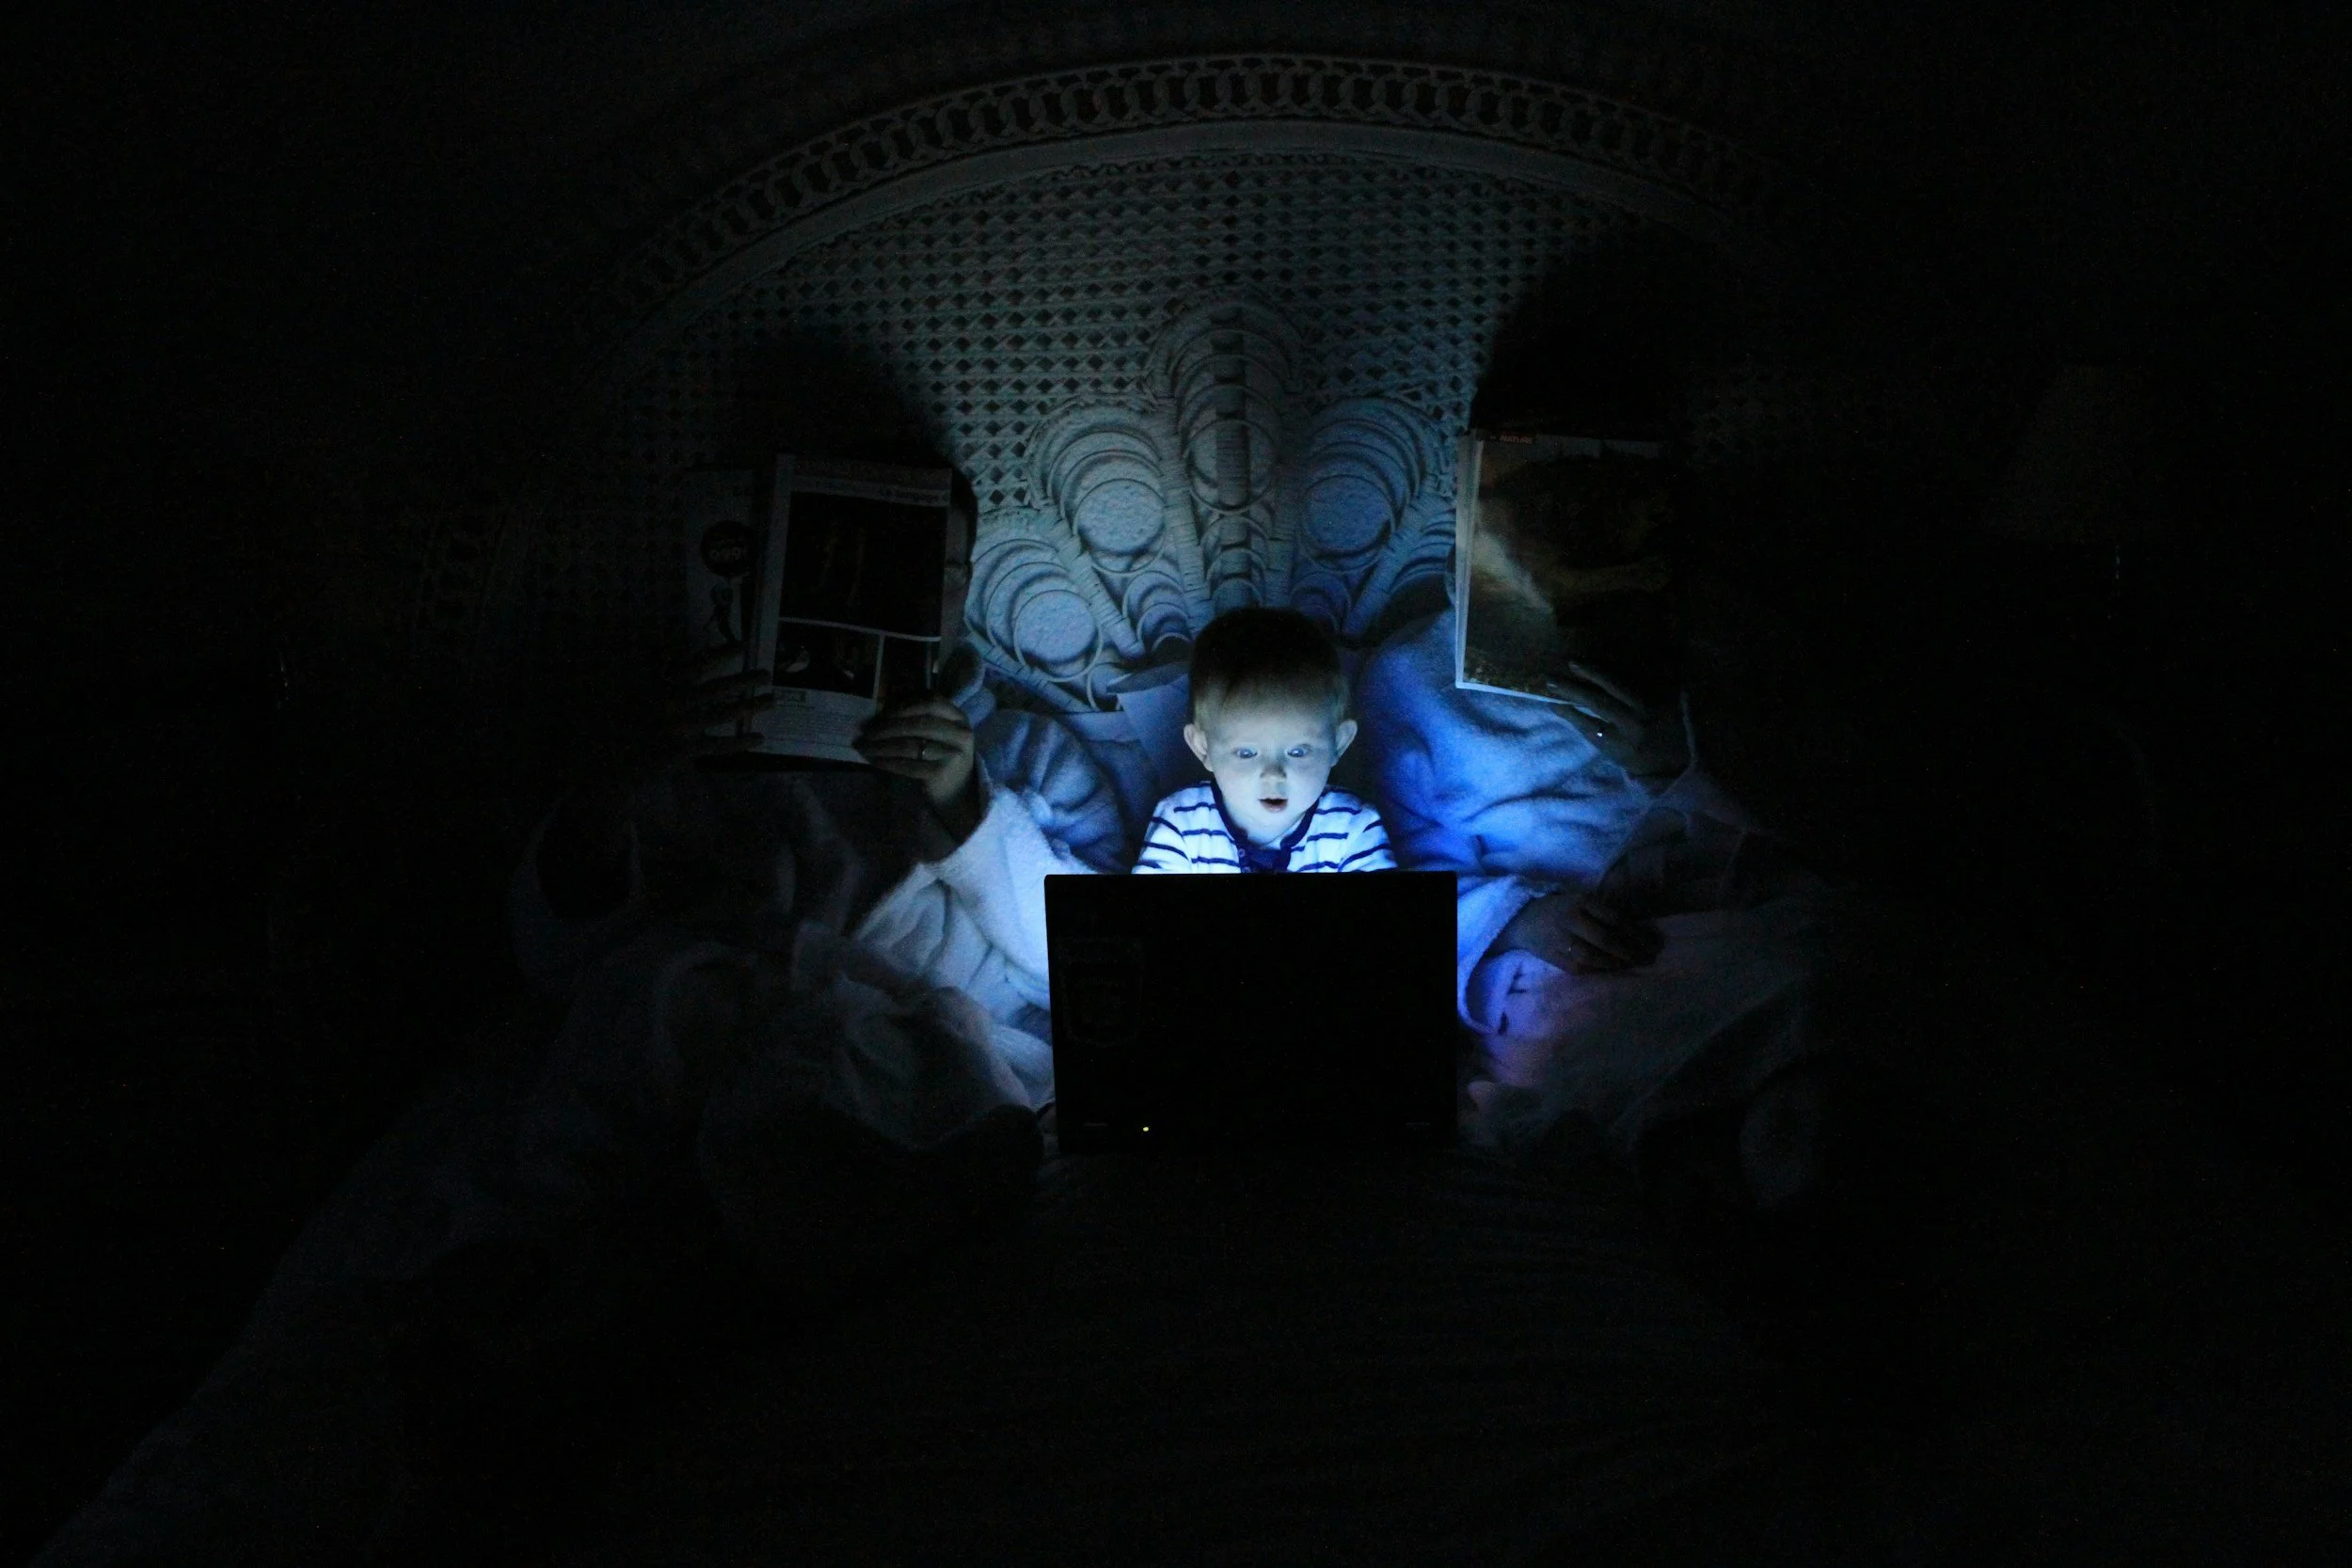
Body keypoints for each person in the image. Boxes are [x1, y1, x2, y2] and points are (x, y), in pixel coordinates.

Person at [1132, 607, 1394, 875]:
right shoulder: (1181, 823)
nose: (1274, 775)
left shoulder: (1354, 828)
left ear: (1338, 743)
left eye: (1298, 751)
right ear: (1203, 747)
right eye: (1246, 753)